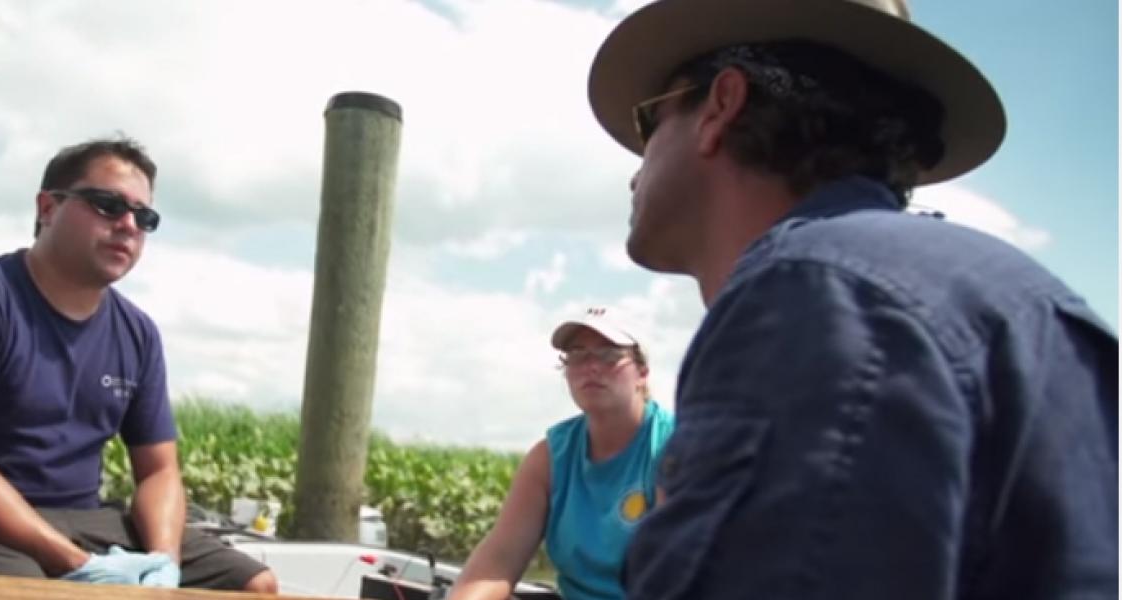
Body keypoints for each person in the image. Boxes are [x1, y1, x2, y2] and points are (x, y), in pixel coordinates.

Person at [583, 0, 1118, 598]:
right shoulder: (1014, 297)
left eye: (647, 125)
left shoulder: (814, 298)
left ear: (720, 107)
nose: (636, 169)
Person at [0, 137, 278, 592]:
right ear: (48, 207)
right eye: (107, 205)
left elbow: (159, 471)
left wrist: (163, 562)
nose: (129, 225)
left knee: (255, 585)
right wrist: (74, 561)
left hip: (79, 522)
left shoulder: (138, 333)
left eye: (144, 216)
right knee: (43, 590)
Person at [451, 308, 676, 600]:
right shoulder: (549, 458)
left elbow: (674, 578)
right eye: (578, 355)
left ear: (642, 374)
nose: (592, 366)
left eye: (609, 356)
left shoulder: (673, 447)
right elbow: (499, 561)